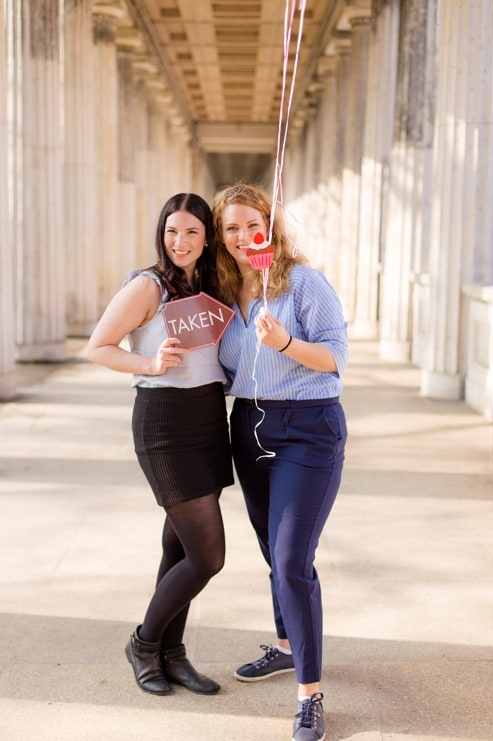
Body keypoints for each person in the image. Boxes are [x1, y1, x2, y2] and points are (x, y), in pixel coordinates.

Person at [212, 182, 348, 741]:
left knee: (293, 559)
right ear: (221, 238)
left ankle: (310, 698)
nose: (244, 237)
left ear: (271, 224)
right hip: (248, 425)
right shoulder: (222, 294)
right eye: (231, 228)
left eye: (252, 224)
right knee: (273, 550)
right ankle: (289, 646)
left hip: (309, 429)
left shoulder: (301, 283)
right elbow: (222, 370)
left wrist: (286, 342)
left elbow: (335, 358)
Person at [85, 193, 232, 696]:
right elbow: (98, 346)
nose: (180, 241)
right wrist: (150, 363)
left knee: (179, 547)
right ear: (161, 234)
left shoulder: (212, 284)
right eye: (172, 231)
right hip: (165, 424)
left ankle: (174, 654)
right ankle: (144, 644)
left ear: (207, 236)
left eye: (191, 231)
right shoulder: (149, 285)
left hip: (209, 418)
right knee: (208, 556)